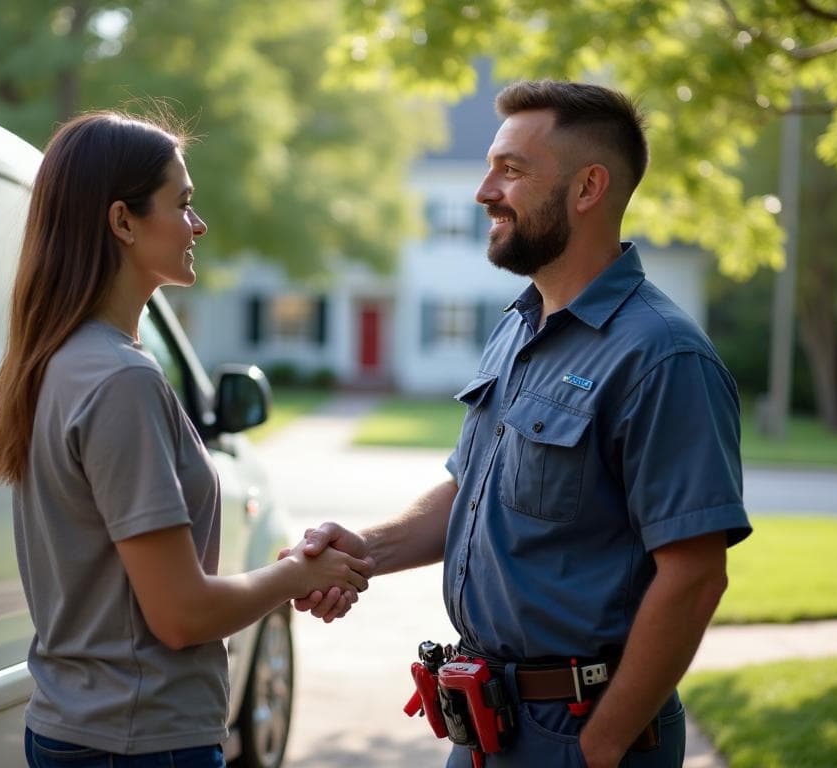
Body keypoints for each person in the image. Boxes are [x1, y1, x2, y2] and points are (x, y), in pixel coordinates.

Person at [292, 80, 751, 767]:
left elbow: (693, 577)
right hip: (487, 727)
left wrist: (601, 746)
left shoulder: (663, 356)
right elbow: (472, 489)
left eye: (511, 170)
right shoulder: (518, 327)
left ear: (587, 188)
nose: (483, 191)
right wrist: (365, 549)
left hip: (586, 733)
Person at [0, 111, 370, 768]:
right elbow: (180, 615)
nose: (198, 225)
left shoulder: (60, 361)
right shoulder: (119, 381)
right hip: (139, 741)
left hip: (80, 728)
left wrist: (291, 574)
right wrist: (295, 575)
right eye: (183, 204)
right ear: (123, 221)